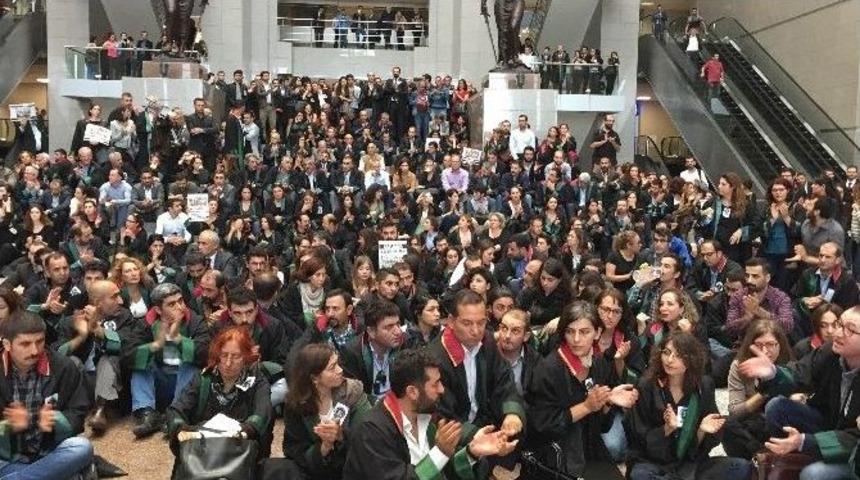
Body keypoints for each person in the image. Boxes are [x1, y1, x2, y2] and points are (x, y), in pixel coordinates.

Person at [343, 348, 519, 479]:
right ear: (412, 392)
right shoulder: (371, 431)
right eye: (435, 384)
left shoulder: (428, 419)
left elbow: (441, 471)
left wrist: (471, 452)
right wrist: (441, 452)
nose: (442, 389)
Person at [738, 306, 860, 480]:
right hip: (828, 423)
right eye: (840, 325)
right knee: (777, 406)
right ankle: (789, 460)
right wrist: (774, 372)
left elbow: (854, 438)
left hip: (854, 449)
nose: (837, 333)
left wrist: (805, 441)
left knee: (814, 474)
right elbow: (799, 373)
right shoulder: (829, 352)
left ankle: (808, 460)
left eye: (850, 330)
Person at [528, 301, 638, 477]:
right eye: (570, 332)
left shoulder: (599, 363)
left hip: (589, 446)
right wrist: (586, 407)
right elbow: (541, 426)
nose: (576, 339)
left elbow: (601, 426)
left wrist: (607, 401)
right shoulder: (548, 369)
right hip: (557, 450)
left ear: (598, 333)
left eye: (584, 332)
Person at [627, 331, 752, 479]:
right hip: (653, 463)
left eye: (678, 355)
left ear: (691, 360)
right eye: (666, 353)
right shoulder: (647, 385)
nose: (670, 360)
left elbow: (706, 442)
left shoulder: (703, 385)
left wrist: (701, 431)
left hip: (690, 464)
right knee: (640, 475)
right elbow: (638, 437)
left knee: (741, 467)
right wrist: (666, 430)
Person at [0, 311, 93, 479]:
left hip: (49, 451)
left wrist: (55, 421)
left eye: (40, 341)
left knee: (81, 447)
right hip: (7, 456)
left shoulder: (63, 366)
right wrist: (8, 426)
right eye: (25, 344)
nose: (35, 350)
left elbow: (78, 413)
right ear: (7, 344)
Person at [167, 326, 273, 467]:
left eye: (235, 356)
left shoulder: (257, 381)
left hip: (240, 451)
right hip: (203, 452)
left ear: (245, 357)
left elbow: (263, 412)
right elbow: (176, 409)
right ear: (217, 355)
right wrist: (180, 430)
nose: (228, 363)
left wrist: (246, 430)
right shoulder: (203, 378)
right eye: (224, 355)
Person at [427, 290, 525, 443]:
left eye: (481, 322)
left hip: (484, 424)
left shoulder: (488, 342)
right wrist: (476, 435)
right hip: (454, 436)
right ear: (451, 322)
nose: (476, 330)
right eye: (467, 323)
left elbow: (504, 380)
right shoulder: (435, 358)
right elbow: (442, 414)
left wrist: (512, 413)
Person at [128, 282, 210, 439]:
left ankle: (175, 414)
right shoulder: (146, 324)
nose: (180, 307)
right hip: (160, 382)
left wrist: (178, 339)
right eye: (172, 304)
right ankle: (148, 414)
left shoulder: (195, 321)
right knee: (141, 362)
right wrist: (156, 345)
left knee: (189, 364)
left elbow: (205, 355)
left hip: (186, 385)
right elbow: (128, 356)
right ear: (158, 310)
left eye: (181, 301)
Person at [282, 343, 371, 479]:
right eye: (332, 368)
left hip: (352, 468)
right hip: (314, 472)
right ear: (314, 378)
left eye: (338, 364)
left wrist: (341, 436)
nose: (340, 370)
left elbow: (368, 436)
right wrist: (324, 447)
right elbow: (294, 449)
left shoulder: (352, 391)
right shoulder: (295, 404)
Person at [722, 319, 794, 460]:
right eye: (759, 345)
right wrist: (765, 392)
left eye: (770, 345)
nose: (765, 351)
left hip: (779, 424)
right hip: (751, 424)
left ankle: (762, 458)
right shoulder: (739, 366)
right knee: (725, 424)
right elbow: (735, 411)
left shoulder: (790, 366)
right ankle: (759, 457)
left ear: (780, 345)